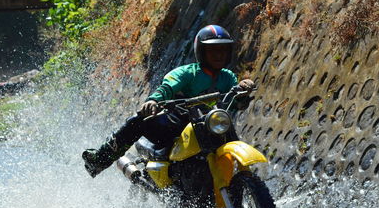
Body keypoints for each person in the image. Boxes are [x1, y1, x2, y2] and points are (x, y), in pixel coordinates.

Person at [82, 25, 255, 177]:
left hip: (208, 124)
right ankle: (99, 159)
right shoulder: (188, 73)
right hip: (176, 124)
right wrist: (153, 101)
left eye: (223, 50)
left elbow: (238, 103)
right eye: (213, 50)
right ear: (202, 52)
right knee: (139, 121)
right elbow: (167, 88)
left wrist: (243, 91)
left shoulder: (228, 77)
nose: (219, 55)